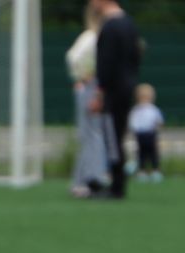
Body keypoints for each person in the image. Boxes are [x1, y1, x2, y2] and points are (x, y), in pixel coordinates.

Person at [89, 0, 140, 199]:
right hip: (126, 87)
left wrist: (99, 94)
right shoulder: (129, 24)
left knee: (112, 138)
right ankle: (116, 183)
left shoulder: (110, 27)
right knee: (117, 136)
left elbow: (105, 64)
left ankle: (116, 187)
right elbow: (137, 56)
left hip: (113, 91)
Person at [66, 7, 112, 196]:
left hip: (88, 85)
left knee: (91, 136)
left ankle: (84, 180)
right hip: (91, 86)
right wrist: (84, 77)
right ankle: (88, 180)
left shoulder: (92, 36)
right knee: (92, 136)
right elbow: (73, 59)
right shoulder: (92, 37)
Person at [129, 83, 163, 180]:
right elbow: (133, 122)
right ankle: (142, 171)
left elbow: (158, 121)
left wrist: (157, 129)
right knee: (141, 154)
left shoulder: (153, 109)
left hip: (151, 134)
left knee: (153, 153)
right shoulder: (136, 110)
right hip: (140, 135)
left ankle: (156, 170)